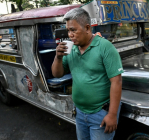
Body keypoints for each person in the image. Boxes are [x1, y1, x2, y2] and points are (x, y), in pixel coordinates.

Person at [51, 8, 123, 140]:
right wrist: (58, 57)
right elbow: (57, 74)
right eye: (68, 31)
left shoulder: (105, 47)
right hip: (79, 112)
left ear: (87, 28)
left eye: (73, 30)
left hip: (100, 113)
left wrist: (112, 114)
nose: (70, 35)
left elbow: (116, 81)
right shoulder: (70, 49)